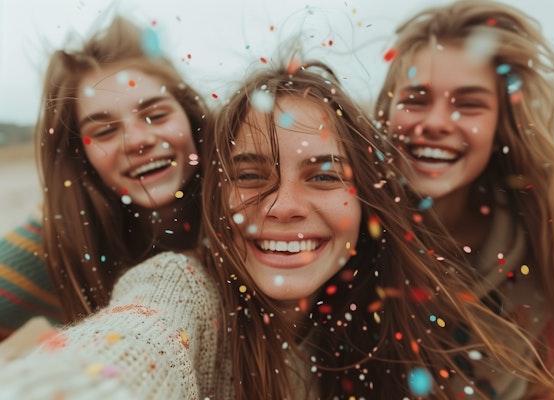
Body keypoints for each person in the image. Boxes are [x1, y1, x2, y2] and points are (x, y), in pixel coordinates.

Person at [0, 58, 462, 398]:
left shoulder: (382, 311)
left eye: (324, 174)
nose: (138, 140)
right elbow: (140, 338)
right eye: (250, 175)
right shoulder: (159, 275)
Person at [372, 0, 554, 398]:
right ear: (386, 110)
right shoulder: (348, 233)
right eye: (416, 98)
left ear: (502, 126)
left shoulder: (550, 240)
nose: (437, 123)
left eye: (469, 104)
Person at [0, 15, 211, 339]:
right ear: (79, 157)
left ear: (191, 114)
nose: (138, 140)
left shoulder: (252, 205)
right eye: (105, 130)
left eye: (156, 115)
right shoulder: (55, 241)